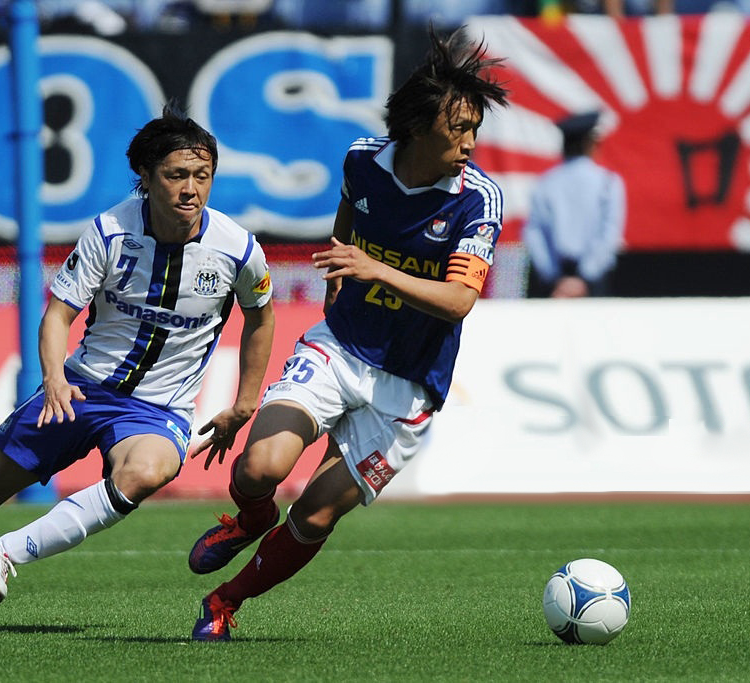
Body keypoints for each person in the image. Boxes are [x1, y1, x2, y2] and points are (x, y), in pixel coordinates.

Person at [0, 105, 275, 630]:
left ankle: (4, 553)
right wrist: (52, 379)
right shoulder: (109, 232)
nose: (191, 189)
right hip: (80, 386)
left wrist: (245, 402)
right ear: (145, 175)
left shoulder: (237, 249)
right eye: (176, 174)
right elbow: (57, 316)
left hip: (159, 408)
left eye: (202, 176)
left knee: (148, 471)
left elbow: (261, 317)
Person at [185, 27, 511, 642]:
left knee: (316, 510)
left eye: (475, 129)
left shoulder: (478, 200)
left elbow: (460, 302)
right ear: (417, 127)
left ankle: (224, 602)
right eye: (459, 128)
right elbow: (349, 215)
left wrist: (372, 267)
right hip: (340, 348)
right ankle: (249, 517)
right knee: (260, 466)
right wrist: (344, 264)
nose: (470, 143)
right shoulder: (363, 159)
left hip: (409, 388)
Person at [522, 111, 626, 298]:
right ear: (589, 143)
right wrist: (584, 278)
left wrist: (555, 278)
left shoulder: (545, 184)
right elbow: (609, 234)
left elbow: (534, 234)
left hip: (556, 284)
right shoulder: (608, 182)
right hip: (594, 282)